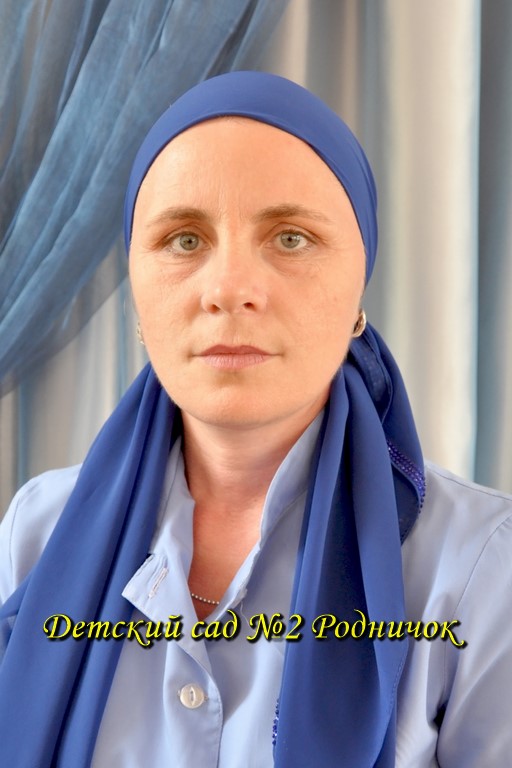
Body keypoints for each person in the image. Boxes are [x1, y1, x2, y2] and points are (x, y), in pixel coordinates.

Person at [0, 71, 511, 768]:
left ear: (360, 285)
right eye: (184, 240)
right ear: (136, 293)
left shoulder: (481, 566)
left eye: (291, 238)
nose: (229, 289)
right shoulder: (35, 533)